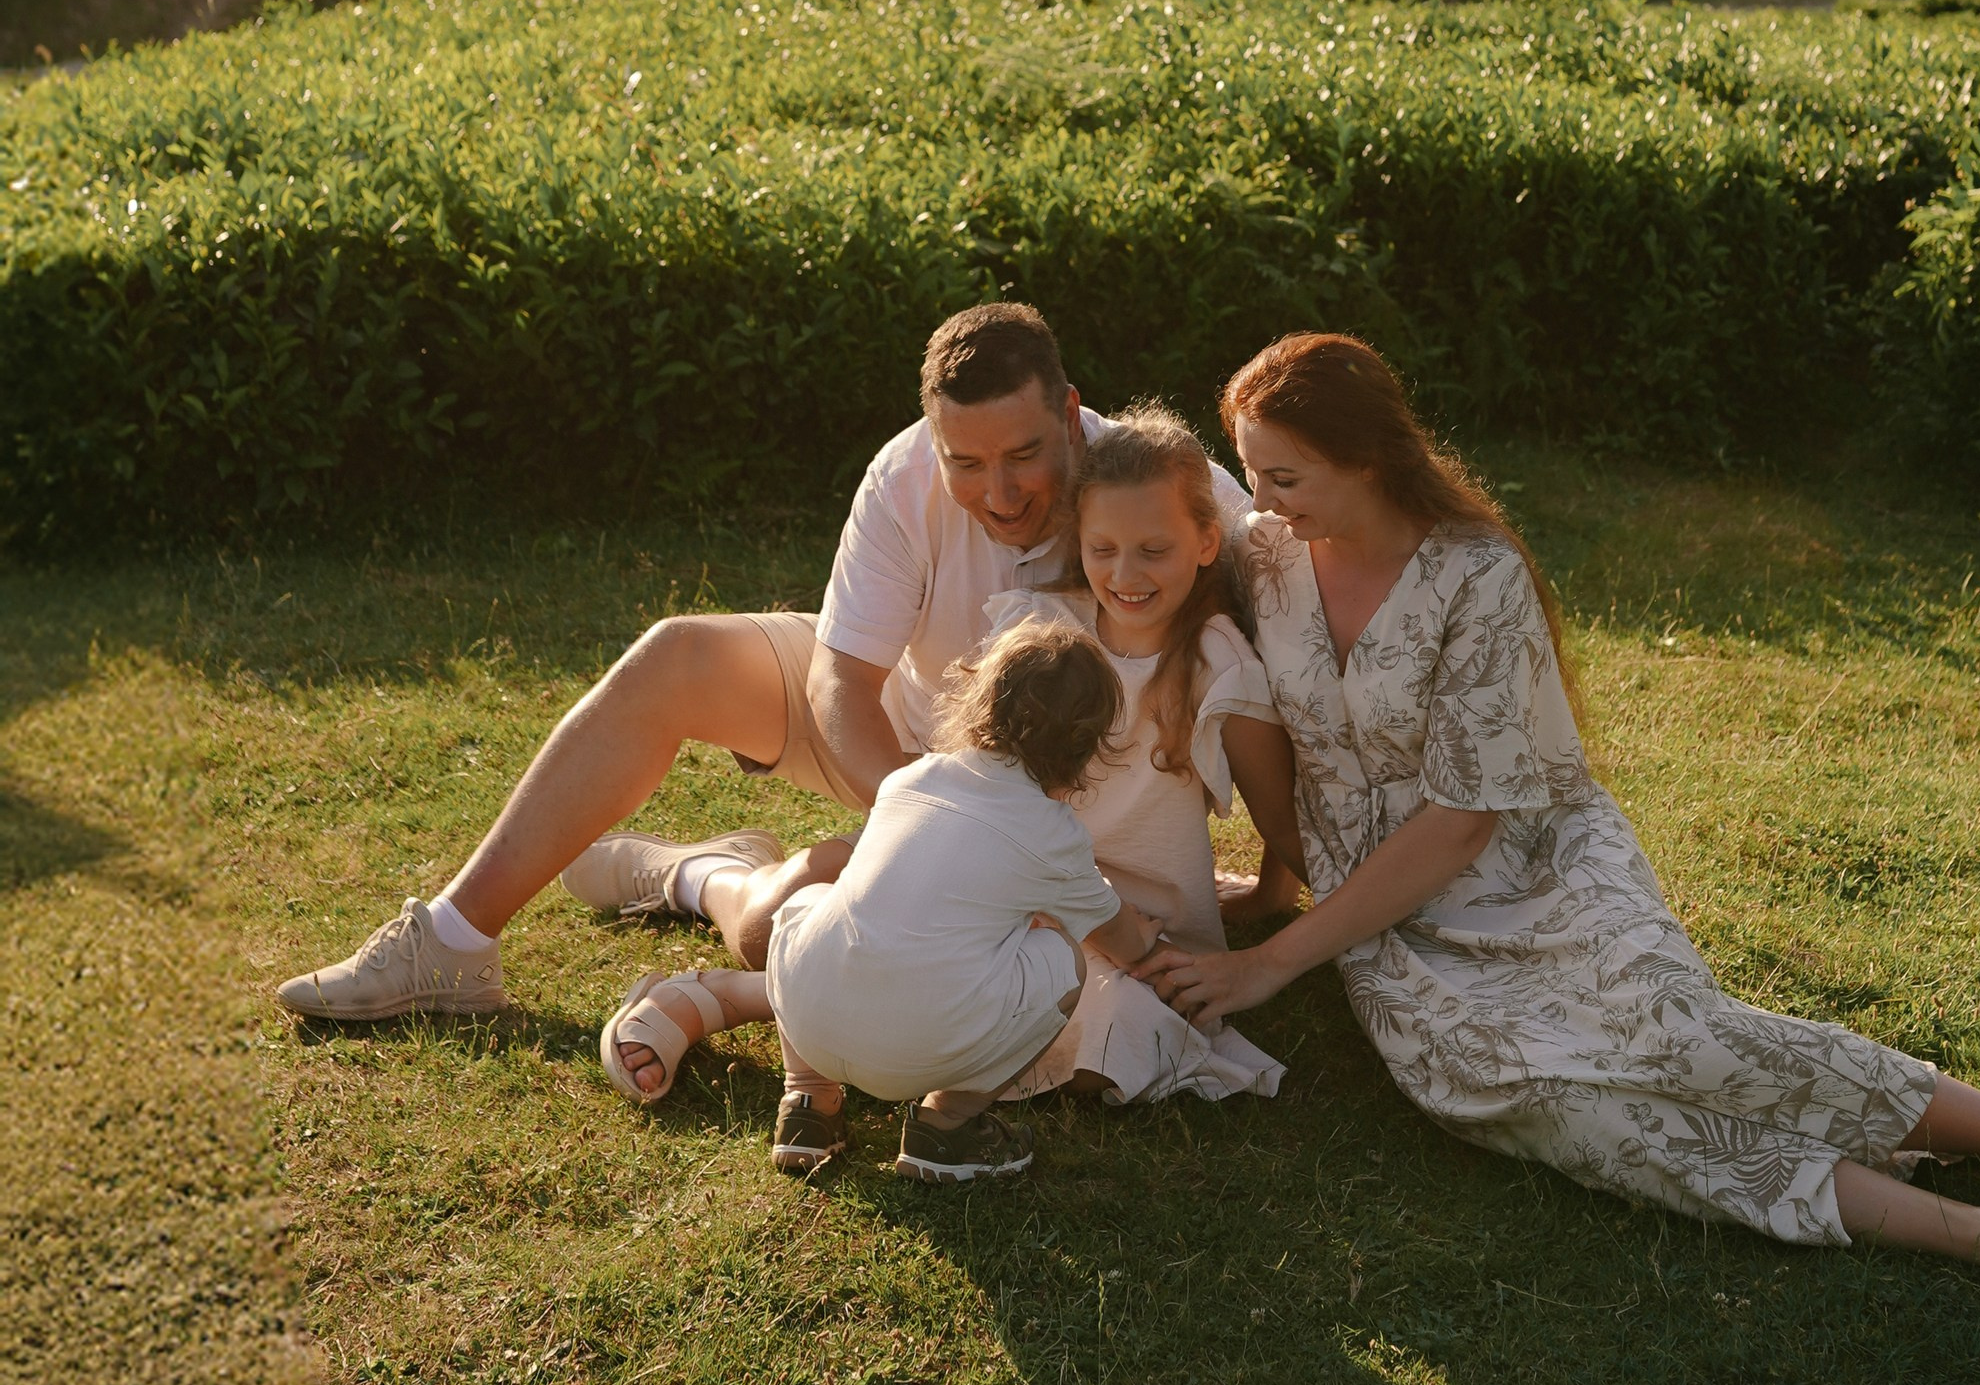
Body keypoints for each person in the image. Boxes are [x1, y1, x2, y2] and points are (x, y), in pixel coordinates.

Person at [1146, 332, 1980, 1337]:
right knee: (1561, 1107)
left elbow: (1464, 820)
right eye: (1253, 474)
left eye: (1283, 476)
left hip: (1520, 860)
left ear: (1369, 457)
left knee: (1675, 1035)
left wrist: (1273, 962)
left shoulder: (1477, 576)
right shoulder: (1268, 553)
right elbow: (1120, 477)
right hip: (1386, 923)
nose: (1264, 501)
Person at [274, 300, 1292, 1031]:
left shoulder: (1158, 489)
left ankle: (696, 874)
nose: (998, 489)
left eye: (1022, 454)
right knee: (675, 655)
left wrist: (1297, 885)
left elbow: (1299, 644)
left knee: (781, 933)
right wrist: (934, 826)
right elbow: (840, 684)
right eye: (964, 461)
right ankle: (450, 945)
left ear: (1070, 413)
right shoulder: (904, 475)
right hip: (910, 739)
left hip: (1079, 801)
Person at [596, 622, 1166, 1186]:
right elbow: (1115, 939)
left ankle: (808, 1101)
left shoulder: (910, 779)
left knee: (817, 902)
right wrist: (1143, 932)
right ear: (1087, 750)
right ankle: (946, 1124)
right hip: (925, 1055)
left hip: (811, 1020)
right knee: (1062, 958)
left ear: (978, 703)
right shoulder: (1054, 835)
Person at [981, 404, 1298, 1108]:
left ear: (1207, 542)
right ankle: (727, 999)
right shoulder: (1040, 632)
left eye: (1155, 551)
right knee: (852, 904)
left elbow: (1285, 820)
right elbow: (975, 790)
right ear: (1080, 542)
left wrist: (1279, 899)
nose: (1126, 575)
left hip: (1145, 946)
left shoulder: (1219, 665)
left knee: (1118, 1037)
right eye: (1103, 550)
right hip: (1022, 912)